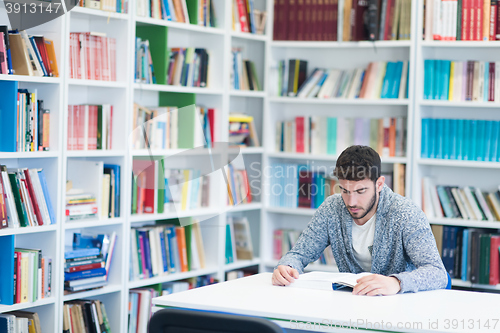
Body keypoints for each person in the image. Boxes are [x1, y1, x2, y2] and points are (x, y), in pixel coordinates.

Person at [272, 145, 448, 296]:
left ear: (379, 184)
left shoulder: (406, 213)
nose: (351, 202)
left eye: (360, 191)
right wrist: (286, 267)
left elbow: (437, 273)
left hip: (399, 304)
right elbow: (298, 255)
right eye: (345, 191)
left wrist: (397, 282)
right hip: (352, 303)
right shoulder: (331, 208)